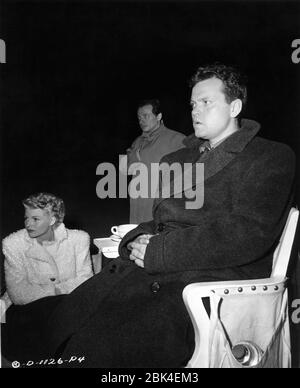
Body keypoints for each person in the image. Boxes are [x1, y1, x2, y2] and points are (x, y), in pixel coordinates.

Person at [45, 63, 295, 368]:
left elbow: (246, 233)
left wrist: (159, 251)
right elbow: (160, 220)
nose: (195, 110)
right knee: (53, 320)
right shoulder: (178, 159)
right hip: (158, 268)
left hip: (207, 280)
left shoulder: (270, 156)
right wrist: (136, 240)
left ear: (235, 107)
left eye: (206, 102)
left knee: (102, 343)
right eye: (192, 103)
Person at [1, 192, 93, 362]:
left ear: (52, 220)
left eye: (35, 219)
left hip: (69, 309)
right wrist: (59, 291)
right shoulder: (13, 244)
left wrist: (58, 292)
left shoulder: (79, 239)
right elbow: (18, 293)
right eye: (26, 218)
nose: (28, 224)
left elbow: (86, 281)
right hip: (26, 312)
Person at [124, 99, 186, 224]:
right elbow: (128, 170)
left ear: (159, 116)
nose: (141, 120)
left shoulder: (176, 139)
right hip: (137, 205)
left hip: (159, 206)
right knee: (137, 239)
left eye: (146, 116)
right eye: (139, 117)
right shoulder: (137, 142)